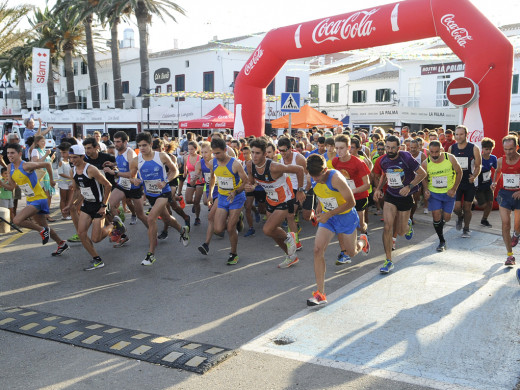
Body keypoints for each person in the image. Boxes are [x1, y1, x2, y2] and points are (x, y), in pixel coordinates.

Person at [306, 154, 369, 306]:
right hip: (329, 218)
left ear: (325, 170)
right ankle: (320, 294)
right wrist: (318, 210)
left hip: (345, 217)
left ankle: (362, 242)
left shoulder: (336, 178)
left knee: (352, 252)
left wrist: (329, 214)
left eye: (318, 176)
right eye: (312, 176)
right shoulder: (313, 177)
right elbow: (322, 194)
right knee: (317, 250)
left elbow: (351, 202)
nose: (315, 179)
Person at [129, 132, 190, 265]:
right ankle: (182, 230)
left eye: (145, 145)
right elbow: (132, 176)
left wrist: (165, 181)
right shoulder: (136, 160)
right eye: (140, 146)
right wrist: (135, 181)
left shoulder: (161, 156)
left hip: (163, 192)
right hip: (150, 194)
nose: (142, 148)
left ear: (151, 144)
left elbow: (174, 171)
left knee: (151, 218)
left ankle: (151, 254)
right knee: (167, 218)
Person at [245, 138, 306, 268]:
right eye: (252, 152)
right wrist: (251, 186)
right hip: (271, 199)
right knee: (272, 232)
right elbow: (252, 180)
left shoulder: (274, 167)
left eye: (257, 153)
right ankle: (291, 257)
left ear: (264, 154)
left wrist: (300, 190)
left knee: (267, 229)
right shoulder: (250, 165)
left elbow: (300, 169)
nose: (254, 156)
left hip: (285, 199)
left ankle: (289, 238)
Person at [1, 143, 68, 256]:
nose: (9, 155)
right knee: (44, 226)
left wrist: (51, 180)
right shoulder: (9, 167)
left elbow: (47, 164)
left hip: (40, 198)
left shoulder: (26, 165)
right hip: (30, 199)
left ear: (20, 154)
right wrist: (1, 183)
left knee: (17, 221)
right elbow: (12, 187)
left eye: (12, 153)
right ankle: (61, 243)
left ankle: (41, 230)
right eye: (8, 153)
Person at [374, 135, 427, 273]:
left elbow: (422, 174)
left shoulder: (406, 157)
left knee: (402, 231)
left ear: (398, 148)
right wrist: (379, 189)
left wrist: (409, 186)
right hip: (391, 195)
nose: (390, 150)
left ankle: (407, 225)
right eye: (387, 147)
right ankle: (388, 260)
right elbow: (385, 174)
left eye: (393, 148)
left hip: (406, 196)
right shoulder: (383, 160)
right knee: (387, 227)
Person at [64, 144, 115, 270]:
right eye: (70, 158)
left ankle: (114, 225)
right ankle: (97, 259)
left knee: (96, 239)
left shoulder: (91, 169)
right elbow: (77, 190)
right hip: (87, 205)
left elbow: (108, 185)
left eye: (75, 157)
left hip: (99, 206)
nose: (72, 160)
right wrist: (70, 205)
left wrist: (104, 206)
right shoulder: (73, 170)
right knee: (81, 233)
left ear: (82, 157)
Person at [208, 136, 248, 265]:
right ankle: (237, 219)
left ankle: (233, 253)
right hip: (222, 197)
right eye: (214, 153)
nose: (216, 155)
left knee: (230, 228)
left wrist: (235, 191)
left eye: (218, 153)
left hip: (236, 198)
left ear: (225, 150)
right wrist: (210, 193)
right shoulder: (212, 162)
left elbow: (246, 181)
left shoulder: (235, 164)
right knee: (218, 229)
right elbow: (213, 178)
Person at [332, 134, 371, 264]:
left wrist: (352, 191)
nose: (339, 151)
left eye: (342, 148)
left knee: (360, 226)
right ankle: (345, 253)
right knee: (341, 226)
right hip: (343, 198)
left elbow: (367, 184)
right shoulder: (335, 162)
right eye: (336, 148)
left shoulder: (358, 162)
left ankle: (364, 237)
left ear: (349, 147)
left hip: (359, 197)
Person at [106, 131, 148, 246]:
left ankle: (152, 230)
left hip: (134, 185)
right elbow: (121, 165)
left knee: (140, 215)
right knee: (108, 206)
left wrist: (114, 172)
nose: (116, 144)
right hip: (122, 184)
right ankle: (121, 232)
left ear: (125, 142)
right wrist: (113, 164)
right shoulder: (116, 151)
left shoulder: (131, 153)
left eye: (118, 142)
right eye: (115, 142)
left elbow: (131, 174)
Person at [421, 140, 462, 252]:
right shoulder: (425, 163)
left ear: (441, 150)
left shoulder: (450, 158)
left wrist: (454, 189)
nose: (434, 155)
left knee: (447, 218)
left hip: (449, 193)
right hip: (434, 193)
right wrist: (426, 189)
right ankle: (441, 241)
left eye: (437, 152)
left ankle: (444, 223)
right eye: (432, 152)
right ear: (429, 151)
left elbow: (459, 172)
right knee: (436, 215)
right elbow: (423, 177)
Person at [449, 125, 482, 238]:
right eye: (456, 134)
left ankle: (466, 228)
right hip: (456, 182)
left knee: (467, 207)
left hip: (469, 183)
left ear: (466, 135)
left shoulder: (474, 148)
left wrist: (474, 176)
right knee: (456, 208)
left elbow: (478, 166)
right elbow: (449, 166)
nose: (458, 137)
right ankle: (459, 217)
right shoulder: (451, 148)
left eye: (461, 134)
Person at [492, 135, 520, 267]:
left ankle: (517, 233)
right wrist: (494, 182)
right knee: (506, 224)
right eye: (506, 149)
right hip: (504, 194)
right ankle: (510, 255)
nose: (508, 152)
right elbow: (498, 172)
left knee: (517, 225)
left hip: (519, 196)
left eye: (511, 149)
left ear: (517, 147)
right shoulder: (500, 161)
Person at [278, 136, 308, 250]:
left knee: (307, 216)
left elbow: (307, 174)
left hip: (302, 187)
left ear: (290, 148)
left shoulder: (299, 158)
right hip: (290, 189)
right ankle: (296, 242)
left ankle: (311, 213)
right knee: (290, 215)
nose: (282, 153)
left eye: (284, 150)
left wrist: (303, 190)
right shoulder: (281, 159)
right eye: (280, 150)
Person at [31, 135, 56, 222]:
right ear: (37, 142)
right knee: (42, 196)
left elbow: (47, 164)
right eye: (42, 141)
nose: (44, 143)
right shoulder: (35, 151)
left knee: (49, 196)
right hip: (40, 176)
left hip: (47, 175)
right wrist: (46, 155)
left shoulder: (44, 150)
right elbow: (36, 162)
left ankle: (46, 214)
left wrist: (51, 159)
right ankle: (41, 215)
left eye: (44, 141)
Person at [475, 137, 497, 227]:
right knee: (483, 205)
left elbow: (497, 170)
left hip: (488, 184)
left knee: (490, 203)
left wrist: (494, 182)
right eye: (486, 149)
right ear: (482, 149)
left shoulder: (493, 158)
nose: (488, 151)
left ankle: (484, 219)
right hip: (478, 185)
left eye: (490, 149)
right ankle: (473, 202)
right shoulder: (479, 158)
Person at [184, 140, 204, 225]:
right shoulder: (186, 157)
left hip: (199, 181)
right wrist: (185, 172)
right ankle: (194, 204)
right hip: (190, 180)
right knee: (188, 200)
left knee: (197, 201)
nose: (190, 151)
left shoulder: (200, 158)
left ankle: (197, 218)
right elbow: (185, 166)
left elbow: (203, 170)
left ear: (196, 149)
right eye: (189, 149)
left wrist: (200, 176)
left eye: (192, 149)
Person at [57, 142, 73, 220]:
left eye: (64, 152)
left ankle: (69, 213)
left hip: (71, 182)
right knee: (63, 199)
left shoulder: (72, 160)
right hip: (63, 182)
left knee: (70, 199)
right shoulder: (61, 161)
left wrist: (72, 180)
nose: (63, 154)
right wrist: (71, 177)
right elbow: (60, 173)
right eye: (61, 152)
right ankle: (64, 214)